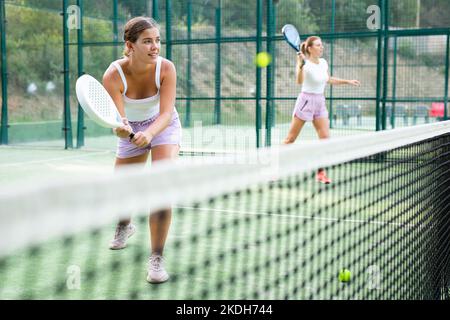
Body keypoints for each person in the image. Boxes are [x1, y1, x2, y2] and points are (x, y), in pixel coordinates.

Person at [103, 17, 181, 284]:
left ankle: (156, 257)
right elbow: (118, 121)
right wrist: (122, 128)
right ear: (130, 45)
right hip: (131, 128)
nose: (155, 46)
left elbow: (167, 112)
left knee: (162, 186)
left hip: (164, 126)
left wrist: (149, 133)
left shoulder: (166, 69)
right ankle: (125, 224)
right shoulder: (113, 75)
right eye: (147, 41)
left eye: (157, 40)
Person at [283, 36, 360, 184]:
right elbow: (299, 81)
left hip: (320, 102)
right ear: (310, 48)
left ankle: (321, 173)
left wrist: (347, 81)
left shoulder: (323, 63)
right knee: (290, 139)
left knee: (325, 140)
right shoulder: (304, 64)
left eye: (321, 45)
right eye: (318, 45)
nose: (321, 47)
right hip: (305, 101)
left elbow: (328, 79)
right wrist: (300, 64)